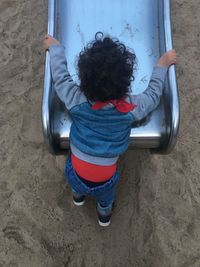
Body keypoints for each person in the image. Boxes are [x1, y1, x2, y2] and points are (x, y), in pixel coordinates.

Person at [43, 32, 177, 227]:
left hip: (75, 172)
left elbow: (60, 77)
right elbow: (153, 95)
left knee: (77, 183)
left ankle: (77, 197)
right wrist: (162, 65)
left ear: (83, 78)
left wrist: (55, 48)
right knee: (106, 198)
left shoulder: (75, 99)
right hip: (105, 178)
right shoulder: (130, 109)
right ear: (126, 81)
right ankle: (104, 214)